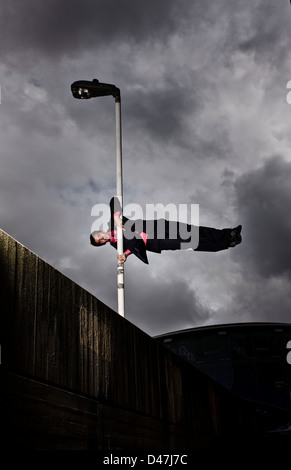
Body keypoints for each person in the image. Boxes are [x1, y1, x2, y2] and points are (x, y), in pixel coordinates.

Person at [90, 197, 242, 264]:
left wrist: (117, 217)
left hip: (159, 226)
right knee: (191, 241)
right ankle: (227, 243)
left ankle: (229, 234)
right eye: (100, 242)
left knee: (194, 230)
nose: (102, 238)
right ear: (103, 244)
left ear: (101, 230)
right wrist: (125, 255)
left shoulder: (113, 222)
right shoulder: (117, 247)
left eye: (99, 235)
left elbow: (113, 200)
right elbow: (135, 247)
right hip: (159, 242)